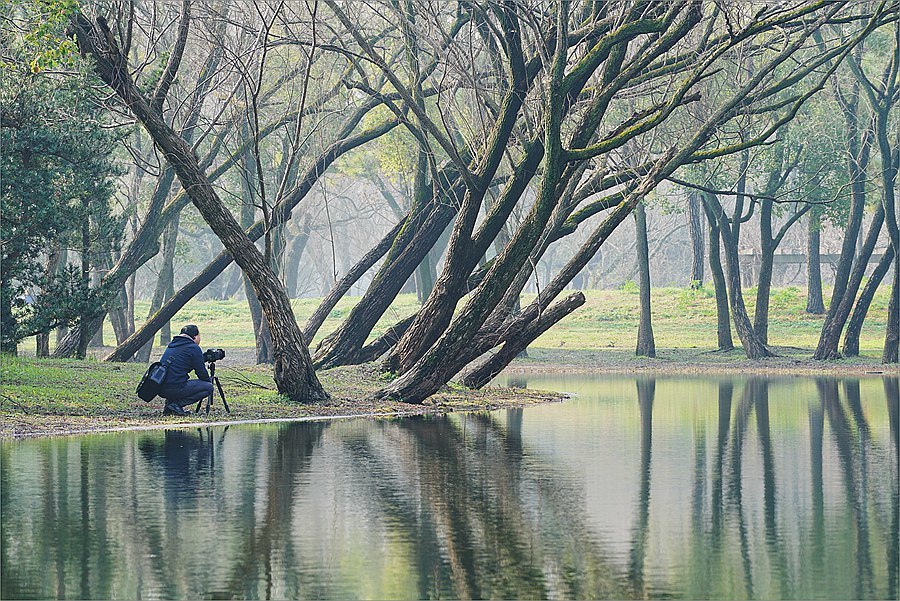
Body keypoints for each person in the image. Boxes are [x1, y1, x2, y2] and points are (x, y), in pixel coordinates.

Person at [158, 324, 213, 416]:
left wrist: (202, 358)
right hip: (175, 388)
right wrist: (209, 382)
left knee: (175, 380)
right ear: (195, 336)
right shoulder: (193, 347)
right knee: (208, 387)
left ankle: (170, 407)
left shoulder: (173, 345)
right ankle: (175, 405)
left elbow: (181, 364)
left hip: (160, 387)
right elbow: (201, 373)